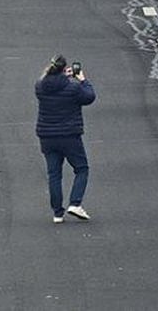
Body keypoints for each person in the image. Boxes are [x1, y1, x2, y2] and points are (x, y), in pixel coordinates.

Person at [35, 55, 95, 223]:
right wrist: (83, 80)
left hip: (46, 137)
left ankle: (57, 213)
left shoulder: (40, 86)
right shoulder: (74, 89)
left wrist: (63, 77)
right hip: (69, 136)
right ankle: (75, 203)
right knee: (81, 169)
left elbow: (51, 82)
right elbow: (89, 97)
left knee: (54, 174)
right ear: (64, 69)